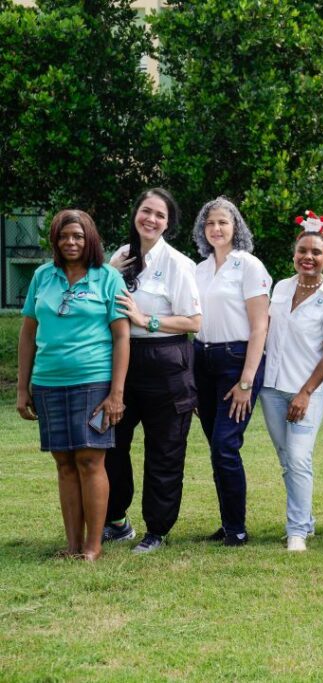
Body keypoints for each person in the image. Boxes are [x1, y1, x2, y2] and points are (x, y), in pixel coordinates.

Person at [17, 210, 129, 561]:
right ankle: (72, 545)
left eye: (78, 236)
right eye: (64, 236)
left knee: (90, 460)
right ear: (55, 240)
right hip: (48, 383)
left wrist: (116, 393)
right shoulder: (42, 276)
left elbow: (122, 337)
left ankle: (93, 547)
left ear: (89, 239)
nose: (70, 242)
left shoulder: (108, 277)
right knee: (64, 462)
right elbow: (28, 333)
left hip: (93, 382)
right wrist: (22, 387)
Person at [104, 188, 202, 554]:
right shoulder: (120, 256)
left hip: (166, 362)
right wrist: (110, 274)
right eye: (146, 211)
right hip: (122, 360)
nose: (151, 219)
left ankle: (156, 530)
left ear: (168, 224)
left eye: (160, 215)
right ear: (136, 213)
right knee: (111, 444)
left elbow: (194, 321)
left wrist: (147, 319)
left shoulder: (178, 264)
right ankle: (116, 521)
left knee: (164, 450)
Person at [262, 215, 323, 552]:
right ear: (294, 254)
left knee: (298, 458)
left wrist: (306, 392)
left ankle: (296, 530)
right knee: (287, 458)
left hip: (307, 392)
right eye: (302, 251)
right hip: (271, 388)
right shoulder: (280, 288)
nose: (308, 257)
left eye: (315, 252)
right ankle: (306, 520)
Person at [192, 197, 271, 546]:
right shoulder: (199, 269)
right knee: (216, 446)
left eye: (223, 222)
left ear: (235, 226)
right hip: (202, 360)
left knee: (225, 445)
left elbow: (260, 326)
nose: (216, 229)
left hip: (237, 361)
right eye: (210, 223)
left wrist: (246, 381)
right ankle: (227, 524)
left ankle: (237, 529)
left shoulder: (249, 266)